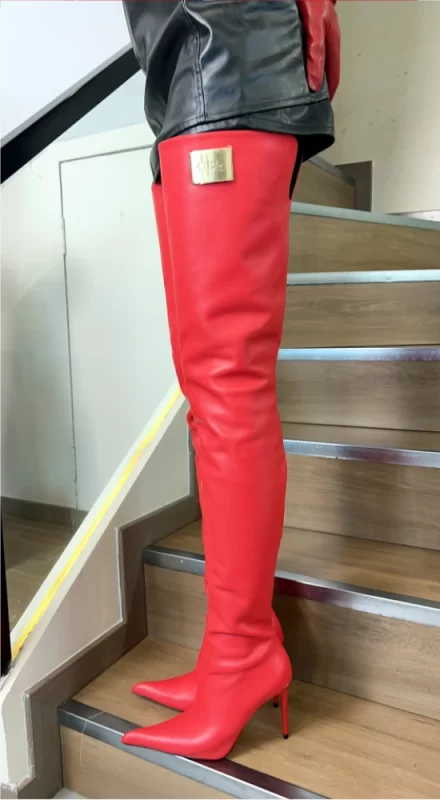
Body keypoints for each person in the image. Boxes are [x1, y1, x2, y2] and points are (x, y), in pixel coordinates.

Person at [121, 0, 340, 760]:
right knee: (205, 388)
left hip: (232, 59)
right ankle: (234, 644)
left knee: (227, 386)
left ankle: (243, 651)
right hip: (187, 77)